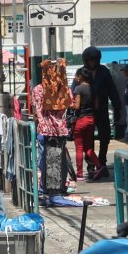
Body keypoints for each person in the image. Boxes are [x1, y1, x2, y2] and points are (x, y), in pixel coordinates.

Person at [32, 60, 75, 192]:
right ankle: (59, 185)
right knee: (59, 159)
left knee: (44, 159)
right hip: (60, 130)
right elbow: (72, 104)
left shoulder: (37, 90)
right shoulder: (65, 90)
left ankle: (45, 186)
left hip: (43, 130)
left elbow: (35, 111)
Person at [80, 46, 121, 179]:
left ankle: (102, 162)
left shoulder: (104, 71)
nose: (92, 63)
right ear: (86, 60)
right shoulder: (81, 72)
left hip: (102, 110)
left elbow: (112, 90)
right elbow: (75, 92)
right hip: (86, 112)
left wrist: (117, 108)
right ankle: (91, 165)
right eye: (89, 60)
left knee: (105, 137)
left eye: (94, 60)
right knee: (88, 140)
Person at [70, 68, 104, 181]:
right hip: (91, 120)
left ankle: (79, 174)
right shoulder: (94, 88)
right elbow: (97, 106)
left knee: (79, 147)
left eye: (76, 76)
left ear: (80, 77)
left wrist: (69, 104)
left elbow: (77, 106)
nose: (75, 78)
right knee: (88, 147)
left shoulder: (78, 88)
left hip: (81, 120)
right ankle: (99, 166)